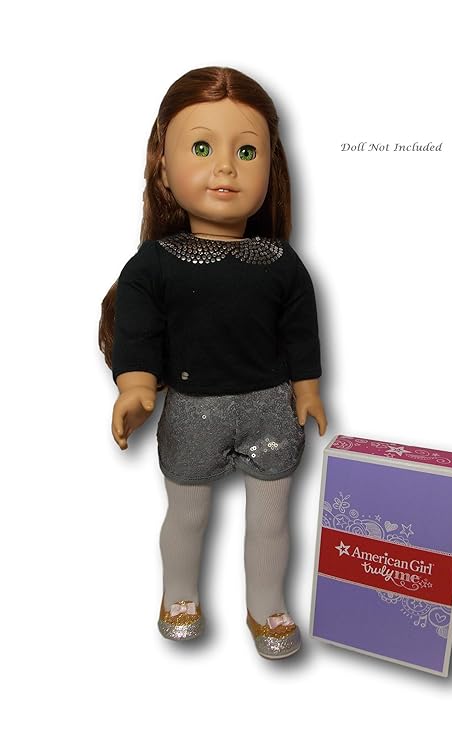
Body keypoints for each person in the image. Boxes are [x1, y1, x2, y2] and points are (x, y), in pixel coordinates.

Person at [99, 66, 327, 659]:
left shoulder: (280, 261)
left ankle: (266, 605)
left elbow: (300, 331)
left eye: (246, 152)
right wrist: (135, 387)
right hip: (192, 413)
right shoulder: (155, 264)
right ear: (163, 168)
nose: (225, 167)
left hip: (270, 410)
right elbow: (138, 331)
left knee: (271, 521)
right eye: (202, 148)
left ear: (271, 168)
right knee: (187, 514)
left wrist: (307, 389)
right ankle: (179, 595)